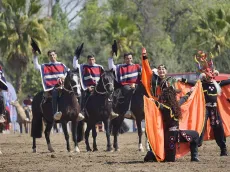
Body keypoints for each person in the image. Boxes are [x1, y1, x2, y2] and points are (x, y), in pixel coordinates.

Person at [179, 51, 230, 156]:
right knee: (200, 127)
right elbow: (192, 83)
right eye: (208, 76)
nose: (210, 77)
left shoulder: (217, 84)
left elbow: (227, 81)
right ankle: (195, 150)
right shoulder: (201, 85)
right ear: (205, 76)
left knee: (218, 128)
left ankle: (223, 149)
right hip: (205, 110)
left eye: (211, 75)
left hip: (215, 109)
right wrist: (183, 80)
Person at [144, 87, 200, 162]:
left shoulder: (176, 106)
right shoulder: (165, 108)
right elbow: (158, 105)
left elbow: (183, 99)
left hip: (178, 134)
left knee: (195, 134)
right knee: (169, 159)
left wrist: (190, 92)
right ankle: (151, 154)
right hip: (170, 137)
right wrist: (152, 101)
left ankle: (194, 157)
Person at [32, 49, 85, 121]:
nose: (52, 56)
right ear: (48, 57)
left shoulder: (61, 65)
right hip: (53, 87)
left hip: (63, 86)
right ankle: (55, 113)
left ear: (56, 56)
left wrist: (63, 77)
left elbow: (69, 73)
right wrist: (35, 56)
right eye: (50, 55)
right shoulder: (45, 66)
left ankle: (78, 112)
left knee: (77, 92)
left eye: (53, 55)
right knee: (55, 92)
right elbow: (36, 66)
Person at [73, 54, 118, 119]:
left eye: (92, 59)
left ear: (95, 60)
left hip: (98, 87)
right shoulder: (83, 66)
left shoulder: (100, 67)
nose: (91, 61)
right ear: (87, 60)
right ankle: (82, 111)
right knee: (83, 96)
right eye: (90, 60)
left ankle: (111, 111)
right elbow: (75, 66)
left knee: (110, 95)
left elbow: (103, 77)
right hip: (87, 87)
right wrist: (75, 57)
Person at [108, 52, 142, 118]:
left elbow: (145, 70)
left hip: (136, 85)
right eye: (127, 58)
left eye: (130, 58)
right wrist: (111, 57)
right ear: (124, 59)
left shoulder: (137, 66)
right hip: (125, 85)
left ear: (132, 59)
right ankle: (128, 110)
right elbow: (111, 67)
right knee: (129, 90)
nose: (129, 60)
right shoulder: (120, 67)